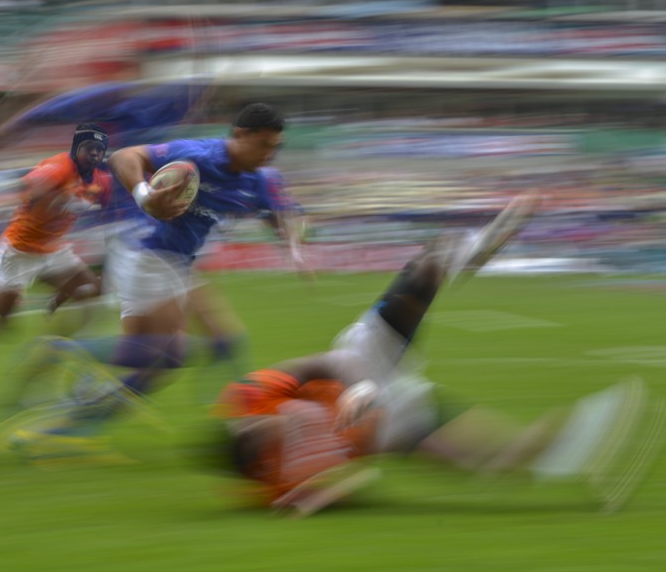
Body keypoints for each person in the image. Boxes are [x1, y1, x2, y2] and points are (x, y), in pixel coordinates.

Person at [201, 192, 664, 516]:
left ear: (250, 426)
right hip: (392, 426)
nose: (280, 431)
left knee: (424, 269)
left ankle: (470, 250)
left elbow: (307, 366)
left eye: (270, 428)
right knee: (496, 460)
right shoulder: (272, 483)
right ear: (258, 460)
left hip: (360, 364)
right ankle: (590, 439)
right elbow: (351, 483)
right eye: (273, 442)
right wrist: (320, 498)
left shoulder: (249, 400)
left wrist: (353, 387)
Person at [0, 103, 310, 458]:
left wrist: (293, 245)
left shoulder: (262, 177)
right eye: (263, 145)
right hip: (148, 253)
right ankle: (65, 355)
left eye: (275, 147)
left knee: (159, 360)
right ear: (240, 135)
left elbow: (282, 213)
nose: (269, 153)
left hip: (174, 261)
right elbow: (125, 157)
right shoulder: (198, 156)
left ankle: (67, 426)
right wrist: (145, 196)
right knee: (169, 354)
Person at [0, 123, 113, 376]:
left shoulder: (101, 181)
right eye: (89, 148)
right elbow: (29, 185)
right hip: (19, 253)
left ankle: (52, 351)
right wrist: (41, 195)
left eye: (100, 149)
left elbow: (112, 210)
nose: (95, 154)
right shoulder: (60, 167)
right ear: (75, 148)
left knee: (94, 290)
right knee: (2, 323)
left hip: (53, 249)